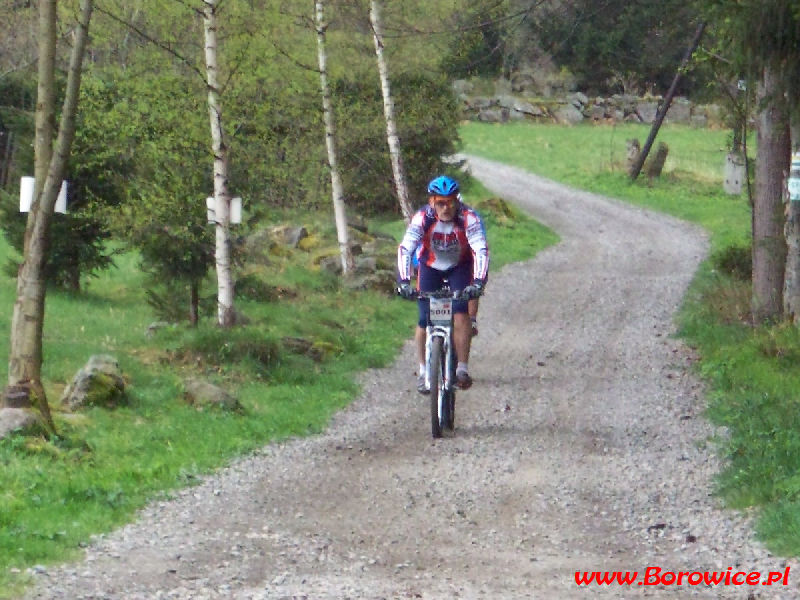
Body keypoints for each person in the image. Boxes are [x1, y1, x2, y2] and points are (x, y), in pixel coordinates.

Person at [397, 175, 489, 393]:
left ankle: (462, 369)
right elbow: (405, 248)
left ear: (457, 201)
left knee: (460, 313)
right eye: (440, 202)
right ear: (432, 202)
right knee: (423, 320)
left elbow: (480, 249)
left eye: (450, 202)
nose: (445, 208)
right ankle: (423, 372)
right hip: (430, 267)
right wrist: (403, 280)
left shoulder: (469, 218)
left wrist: (477, 282)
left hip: (459, 266)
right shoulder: (422, 218)